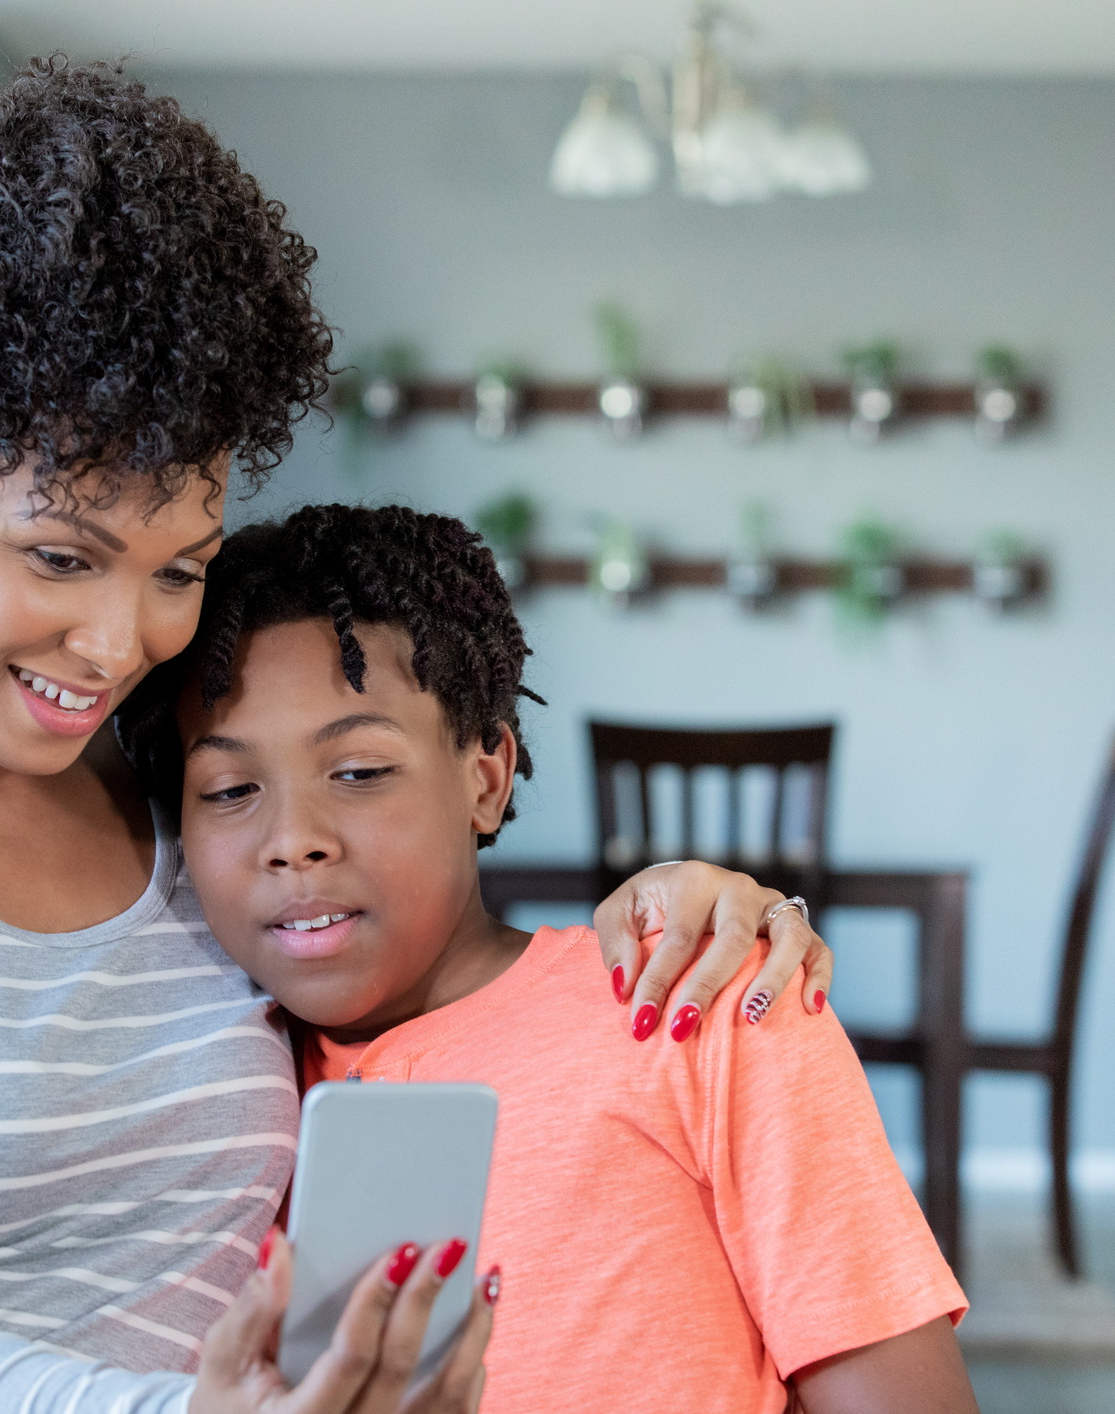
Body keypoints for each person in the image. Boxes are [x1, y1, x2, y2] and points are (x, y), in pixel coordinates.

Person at [0, 60, 834, 1414]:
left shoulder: (184, 807)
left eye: (177, 568)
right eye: (58, 555)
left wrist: (682, 910)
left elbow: (423, 967)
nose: (116, 641)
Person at [151, 505, 978, 1414]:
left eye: (358, 771)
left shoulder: (693, 1001)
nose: (293, 841)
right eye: (229, 789)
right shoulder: (213, 1099)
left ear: (486, 775)